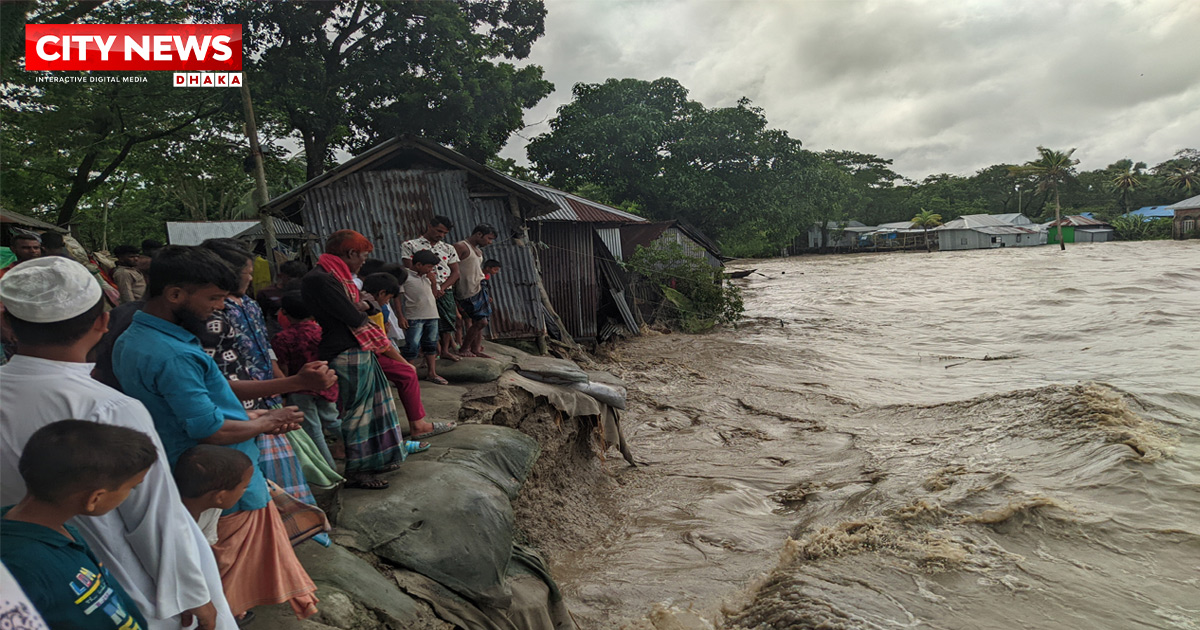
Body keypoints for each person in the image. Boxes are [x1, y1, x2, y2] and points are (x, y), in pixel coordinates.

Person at [0, 256, 235, 630]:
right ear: (102, 322)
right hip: (122, 587)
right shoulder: (109, 407)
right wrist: (194, 593)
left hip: (23, 581)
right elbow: (153, 513)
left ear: (6, 323)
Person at [111, 245, 318, 622]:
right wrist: (264, 423)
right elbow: (207, 427)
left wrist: (253, 414)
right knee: (220, 565)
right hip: (215, 477)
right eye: (213, 298)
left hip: (195, 467)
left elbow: (205, 397)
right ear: (175, 295)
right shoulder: (172, 353)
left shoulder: (139, 337)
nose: (219, 308)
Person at [200, 239, 338, 510]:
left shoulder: (249, 305)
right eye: (246, 273)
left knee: (283, 465)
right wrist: (291, 382)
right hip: (236, 406)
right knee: (251, 475)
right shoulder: (210, 311)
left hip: (267, 396)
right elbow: (214, 377)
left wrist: (279, 386)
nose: (251, 278)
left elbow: (265, 347)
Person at [1, 420, 157, 630]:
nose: (129, 494)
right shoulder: (18, 566)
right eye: (132, 488)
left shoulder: (58, 531)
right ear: (95, 498)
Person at [302, 230, 424, 490]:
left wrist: (366, 305)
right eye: (363, 256)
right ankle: (359, 470)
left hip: (357, 348)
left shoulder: (336, 277)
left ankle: (379, 458)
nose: (363, 263)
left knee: (378, 406)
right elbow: (354, 315)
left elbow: (365, 306)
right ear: (350, 253)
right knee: (359, 413)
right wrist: (366, 305)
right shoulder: (321, 279)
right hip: (344, 350)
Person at [271, 292, 341, 468]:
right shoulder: (323, 331)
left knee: (313, 430)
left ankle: (329, 470)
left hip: (299, 388)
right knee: (334, 421)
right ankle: (363, 451)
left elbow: (283, 368)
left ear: (285, 313)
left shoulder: (282, 338)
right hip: (327, 384)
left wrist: (285, 391)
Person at [401, 215, 461, 361]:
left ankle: (445, 351)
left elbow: (456, 272)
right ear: (429, 226)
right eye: (439, 231)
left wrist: (442, 288)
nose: (441, 235)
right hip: (421, 289)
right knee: (421, 323)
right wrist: (430, 284)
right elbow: (409, 269)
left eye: (444, 233)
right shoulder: (410, 245)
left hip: (444, 290)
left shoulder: (448, 248)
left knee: (447, 321)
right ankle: (424, 354)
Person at [173, 445, 255, 546]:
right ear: (220, 497)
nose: (244, 491)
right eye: (244, 487)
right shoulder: (169, 522)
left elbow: (204, 546)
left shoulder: (211, 508)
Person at [453, 224, 497, 358]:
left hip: (479, 287)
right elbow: (451, 267)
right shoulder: (461, 247)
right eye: (488, 238)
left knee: (482, 320)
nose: (489, 242)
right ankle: (464, 348)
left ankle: (476, 349)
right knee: (480, 321)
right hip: (466, 290)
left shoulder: (478, 251)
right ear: (479, 234)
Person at [256, 260, 308, 336]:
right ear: (280, 276)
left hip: (304, 333)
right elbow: (261, 317)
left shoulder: (306, 291)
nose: (295, 281)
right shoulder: (266, 293)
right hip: (276, 333)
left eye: (299, 278)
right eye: (290, 278)